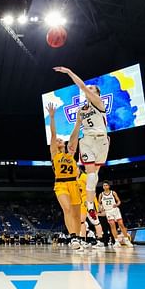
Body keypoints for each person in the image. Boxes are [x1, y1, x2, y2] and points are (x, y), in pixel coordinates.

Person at [53, 66, 109, 221]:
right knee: (90, 173)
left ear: (97, 93)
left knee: (94, 177)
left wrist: (69, 72)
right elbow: (77, 129)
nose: (87, 90)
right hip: (87, 140)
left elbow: (82, 86)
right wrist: (71, 143)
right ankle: (90, 205)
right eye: (88, 88)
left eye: (92, 88)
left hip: (102, 140)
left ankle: (91, 203)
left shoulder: (98, 103)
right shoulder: (81, 110)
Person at [46, 103, 82, 250]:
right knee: (67, 209)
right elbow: (53, 134)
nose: (59, 140)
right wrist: (52, 117)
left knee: (77, 215)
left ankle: (80, 239)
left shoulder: (70, 154)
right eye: (57, 140)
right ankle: (73, 237)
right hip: (60, 184)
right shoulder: (55, 153)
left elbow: (74, 137)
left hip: (74, 184)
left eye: (61, 140)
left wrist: (79, 121)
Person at [98, 181, 133, 248]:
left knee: (121, 224)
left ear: (109, 186)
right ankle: (116, 241)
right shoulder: (101, 194)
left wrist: (116, 204)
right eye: (103, 185)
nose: (104, 186)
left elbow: (119, 201)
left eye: (106, 185)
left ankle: (126, 240)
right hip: (108, 211)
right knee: (112, 226)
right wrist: (100, 208)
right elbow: (99, 203)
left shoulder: (113, 193)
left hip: (115, 210)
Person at [77, 167, 105, 249]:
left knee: (96, 221)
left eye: (76, 169)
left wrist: (91, 200)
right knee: (81, 222)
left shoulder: (84, 177)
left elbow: (93, 188)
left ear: (79, 170)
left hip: (89, 201)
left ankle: (100, 241)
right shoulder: (76, 180)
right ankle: (83, 241)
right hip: (82, 202)